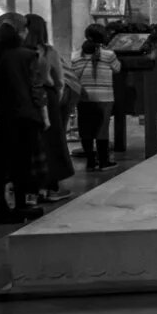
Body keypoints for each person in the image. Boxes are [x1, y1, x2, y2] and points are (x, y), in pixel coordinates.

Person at [0, 12, 48, 222]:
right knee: (22, 164)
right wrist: (44, 115)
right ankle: (19, 206)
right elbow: (36, 88)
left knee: (1, 164)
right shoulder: (27, 55)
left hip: (3, 116)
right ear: (20, 32)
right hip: (25, 116)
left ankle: (2, 206)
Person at [25, 14, 74, 202]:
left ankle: (31, 189)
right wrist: (57, 97)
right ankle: (50, 187)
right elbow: (60, 80)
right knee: (52, 142)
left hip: (27, 97)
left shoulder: (18, 52)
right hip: (48, 96)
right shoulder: (48, 52)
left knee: (32, 142)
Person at [71, 24, 121, 172]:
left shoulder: (76, 55)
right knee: (102, 129)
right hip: (104, 98)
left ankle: (91, 162)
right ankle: (104, 162)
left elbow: (73, 74)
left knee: (85, 130)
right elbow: (117, 69)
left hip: (84, 97)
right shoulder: (109, 55)